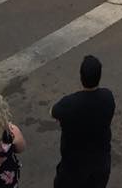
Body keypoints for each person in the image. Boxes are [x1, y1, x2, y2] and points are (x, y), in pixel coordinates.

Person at [51, 55, 115, 188]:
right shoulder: (107, 97)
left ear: (81, 77)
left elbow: (53, 112)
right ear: (99, 76)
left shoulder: (69, 104)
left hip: (74, 168)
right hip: (100, 165)